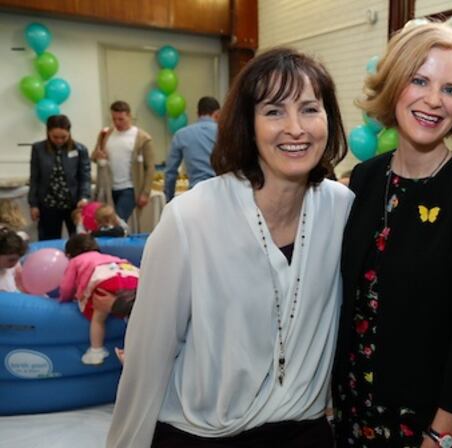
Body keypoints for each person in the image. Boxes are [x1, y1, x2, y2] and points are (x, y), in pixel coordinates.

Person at [107, 47, 353, 447]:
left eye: (310, 109)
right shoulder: (190, 217)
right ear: (248, 125)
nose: (296, 128)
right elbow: (149, 353)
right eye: (274, 111)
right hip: (203, 432)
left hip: (302, 428)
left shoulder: (341, 209)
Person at [333, 23, 452, 448]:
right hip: (351, 407)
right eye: (420, 80)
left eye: (451, 89)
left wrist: (441, 433)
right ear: (395, 84)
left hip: (423, 422)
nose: (433, 100)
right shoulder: (364, 178)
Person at [59, 233, 139, 365]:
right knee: (133, 315)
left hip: (106, 282)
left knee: (98, 317)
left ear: (68, 254)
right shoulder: (110, 257)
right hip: (132, 277)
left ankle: (96, 351)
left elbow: (67, 286)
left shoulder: (75, 261)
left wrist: (63, 299)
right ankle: (131, 350)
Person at [28, 114, 91, 241]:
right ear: (48, 133)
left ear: (69, 133)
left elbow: (85, 177)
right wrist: (33, 204)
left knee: (79, 240)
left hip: (74, 204)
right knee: (49, 240)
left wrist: (84, 197)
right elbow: (35, 178)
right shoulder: (38, 149)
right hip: (48, 204)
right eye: (55, 137)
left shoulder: (80, 149)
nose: (59, 141)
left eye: (63, 137)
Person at [91, 101, 155, 222]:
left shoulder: (142, 138)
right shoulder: (105, 134)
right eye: (114, 119)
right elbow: (93, 156)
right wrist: (97, 156)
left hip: (129, 188)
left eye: (121, 119)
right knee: (105, 222)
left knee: (117, 221)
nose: (117, 123)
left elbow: (150, 167)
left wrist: (145, 193)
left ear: (129, 116)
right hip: (108, 187)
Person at [163, 96, 221, 202]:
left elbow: (170, 172)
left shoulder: (181, 135)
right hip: (221, 193)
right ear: (217, 114)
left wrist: (169, 199)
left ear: (198, 113)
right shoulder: (225, 133)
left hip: (195, 194)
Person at [0, 228, 27, 292]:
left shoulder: (14, 266)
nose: (15, 263)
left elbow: (20, 283)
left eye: (18, 259)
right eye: (11, 260)